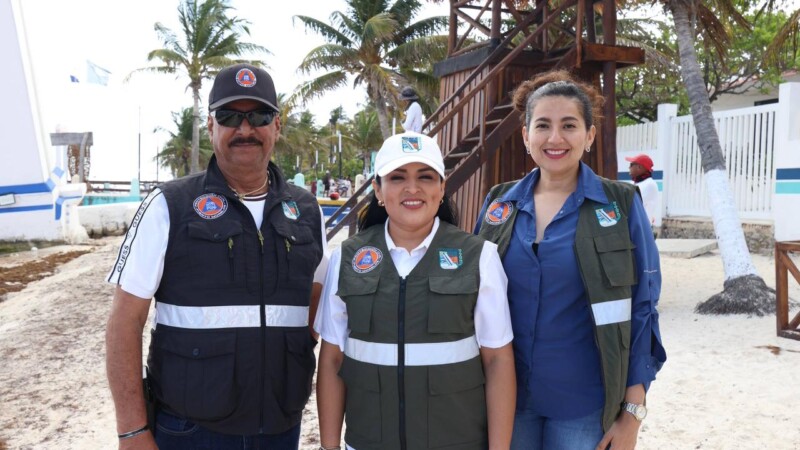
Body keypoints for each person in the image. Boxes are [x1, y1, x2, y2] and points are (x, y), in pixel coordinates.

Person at [105, 63, 329, 450]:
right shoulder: (169, 205)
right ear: (211, 127)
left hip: (280, 427)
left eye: (258, 116)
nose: (245, 129)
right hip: (189, 429)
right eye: (229, 116)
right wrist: (132, 429)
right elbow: (125, 321)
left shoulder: (307, 210)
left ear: (277, 127)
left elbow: (314, 304)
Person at [475, 70, 666, 450]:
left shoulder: (621, 204)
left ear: (589, 135)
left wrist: (633, 413)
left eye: (569, 125)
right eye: (542, 125)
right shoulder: (499, 204)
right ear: (526, 134)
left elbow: (643, 308)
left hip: (583, 402)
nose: (555, 138)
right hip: (506, 400)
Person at [315, 131, 516, 450]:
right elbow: (331, 360)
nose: (412, 188)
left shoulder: (480, 257)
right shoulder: (347, 258)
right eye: (397, 177)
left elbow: (498, 361)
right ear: (378, 190)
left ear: (442, 188)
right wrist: (329, 446)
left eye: (425, 176)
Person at [625, 154, 659, 231]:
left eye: (631, 165)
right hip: (634, 226)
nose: (629, 167)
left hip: (642, 228)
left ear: (639, 167)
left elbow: (630, 203)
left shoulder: (650, 184)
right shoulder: (634, 183)